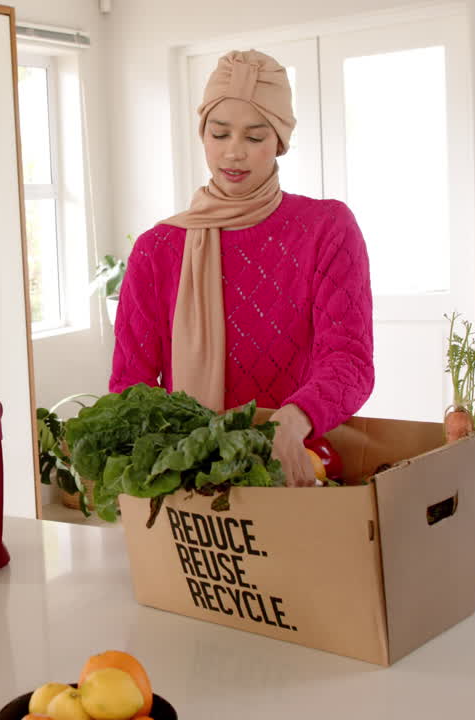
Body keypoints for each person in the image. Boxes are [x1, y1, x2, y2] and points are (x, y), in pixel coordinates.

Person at [110, 50, 374, 488]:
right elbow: (130, 387)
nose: (233, 153)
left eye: (254, 137)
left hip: (295, 470)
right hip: (189, 487)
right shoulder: (156, 249)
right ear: (203, 136)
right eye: (219, 133)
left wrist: (293, 420)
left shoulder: (326, 228)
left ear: (280, 142)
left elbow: (350, 360)